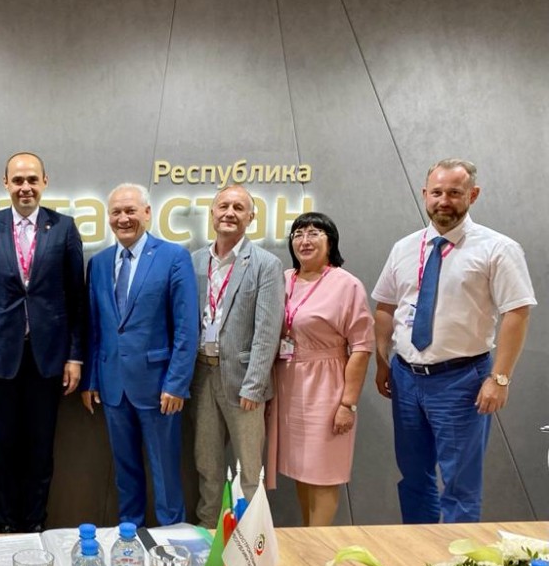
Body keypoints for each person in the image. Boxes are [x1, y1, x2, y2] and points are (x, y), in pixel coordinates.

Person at [372, 158, 535, 524]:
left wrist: (500, 378)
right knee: (414, 479)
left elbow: (517, 312)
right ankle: (420, 554)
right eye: (437, 192)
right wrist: (382, 362)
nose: (443, 201)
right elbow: (385, 306)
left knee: (460, 487)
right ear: (424, 194)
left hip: (461, 381)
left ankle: (455, 560)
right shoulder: (404, 248)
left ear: (472, 195)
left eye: (454, 193)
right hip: (405, 378)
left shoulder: (498, 248)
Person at [0, 151, 85, 533]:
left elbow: (76, 298)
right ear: (6, 184)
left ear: (45, 182)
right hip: (0, 359)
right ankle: (5, 525)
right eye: (18, 180)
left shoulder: (63, 228)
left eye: (32, 179)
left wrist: (75, 356)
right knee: (3, 448)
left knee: (40, 449)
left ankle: (34, 524)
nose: (25, 187)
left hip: (48, 359)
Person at [81, 184, 198, 526]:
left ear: (147, 213)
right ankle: (129, 536)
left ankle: (172, 539)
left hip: (159, 388)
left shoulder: (173, 257)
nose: (123, 218)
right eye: (116, 212)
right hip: (113, 386)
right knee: (125, 471)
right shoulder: (99, 263)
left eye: (130, 211)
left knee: (165, 472)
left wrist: (176, 383)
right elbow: (95, 327)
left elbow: (186, 327)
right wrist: (91, 379)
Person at [266, 212, 373, 526]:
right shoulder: (283, 279)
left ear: (331, 242)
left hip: (326, 388)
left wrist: (347, 404)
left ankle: (319, 544)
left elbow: (362, 347)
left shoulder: (346, 284)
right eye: (298, 234)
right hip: (288, 386)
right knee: (301, 470)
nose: (305, 240)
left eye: (314, 233)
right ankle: (307, 540)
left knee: (323, 472)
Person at [187, 184, 284, 528]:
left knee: (249, 470)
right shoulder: (194, 261)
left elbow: (267, 331)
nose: (230, 213)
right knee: (207, 465)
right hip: (202, 376)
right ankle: (208, 534)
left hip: (244, 382)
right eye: (223, 206)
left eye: (239, 208)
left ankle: (251, 540)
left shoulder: (266, 265)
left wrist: (254, 385)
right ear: (212, 213)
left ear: (251, 217)